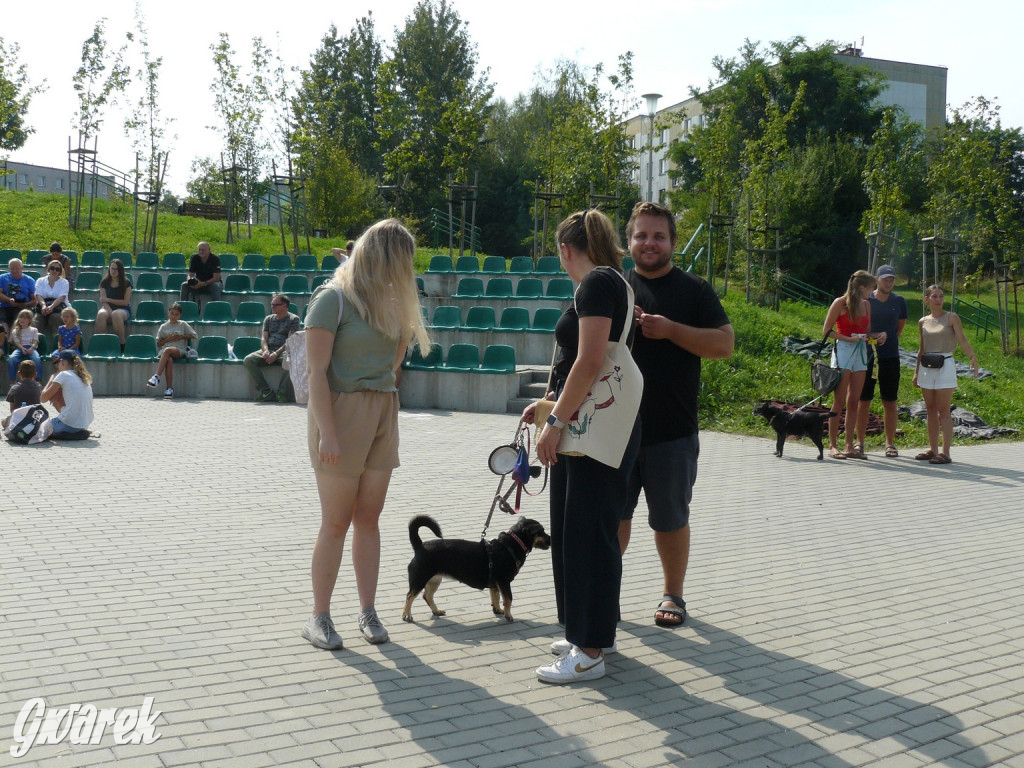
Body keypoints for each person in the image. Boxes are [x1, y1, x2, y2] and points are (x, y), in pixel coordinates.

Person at [522, 209, 641, 684]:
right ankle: (592, 633)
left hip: (590, 430)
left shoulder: (594, 285)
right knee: (590, 533)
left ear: (565, 250)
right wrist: (551, 404)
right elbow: (591, 363)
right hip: (598, 424)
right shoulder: (617, 282)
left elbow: (591, 360)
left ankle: (588, 652)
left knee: (585, 537)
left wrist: (555, 419)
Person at [302, 218, 430, 650]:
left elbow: (394, 365)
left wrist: (379, 406)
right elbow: (315, 371)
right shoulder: (331, 299)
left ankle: (367, 610)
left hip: (382, 409)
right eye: (403, 260)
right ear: (385, 258)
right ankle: (319, 616)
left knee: (369, 519)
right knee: (336, 522)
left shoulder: (392, 305)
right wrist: (328, 433)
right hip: (340, 411)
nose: (407, 270)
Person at [616, 201, 734, 631]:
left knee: (670, 519)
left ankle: (673, 594)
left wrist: (671, 330)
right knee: (614, 516)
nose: (649, 243)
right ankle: (606, 591)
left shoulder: (694, 290)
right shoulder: (614, 287)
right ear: (628, 241)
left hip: (672, 431)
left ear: (672, 242)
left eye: (658, 236)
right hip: (613, 430)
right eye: (641, 235)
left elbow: (724, 344)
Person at [913, 284, 979, 464]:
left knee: (943, 410)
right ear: (927, 299)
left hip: (945, 364)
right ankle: (933, 449)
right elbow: (921, 348)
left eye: (941, 296)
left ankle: (945, 452)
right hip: (927, 365)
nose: (938, 299)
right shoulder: (922, 321)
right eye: (934, 296)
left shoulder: (951, 318)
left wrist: (972, 357)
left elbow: (962, 339)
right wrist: (916, 371)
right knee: (930, 409)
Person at [822, 270, 881, 460]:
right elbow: (827, 331)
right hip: (844, 350)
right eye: (871, 288)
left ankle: (849, 445)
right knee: (839, 400)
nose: (872, 292)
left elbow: (868, 330)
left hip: (861, 351)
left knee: (854, 400)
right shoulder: (840, 303)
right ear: (862, 287)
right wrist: (847, 338)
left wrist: (878, 336)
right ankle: (832, 445)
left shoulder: (866, 305)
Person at [855, 264, 907, 457]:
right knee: (864, 400)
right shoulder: (867, 300)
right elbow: (860, 327)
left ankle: (890, 443)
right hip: (866, 357)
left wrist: (888, 338)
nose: (889, 282)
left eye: (892, 278)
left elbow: (898, 329)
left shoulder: (899, 301)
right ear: (876, 279)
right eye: (885, 278)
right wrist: (874, 337)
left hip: (890, 357)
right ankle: (859, 443)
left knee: (890, 401)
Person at [243, 293, 300, 402]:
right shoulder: (268, 319)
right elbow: (264, 338)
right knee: (248, 360)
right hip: (269, 349)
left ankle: (281, 392)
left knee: (291, 360)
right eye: (272, 304)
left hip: (284, 351)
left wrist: (275, 354)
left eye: (276, 305)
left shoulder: (293, 319)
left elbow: (290, 341)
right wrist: (266, 351)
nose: (272, 307)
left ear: (285, 305)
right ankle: (266, 390)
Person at [147, 302, 198, 399]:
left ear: (180, 315)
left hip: (180, 350)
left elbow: (194, 335)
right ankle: (169, 389)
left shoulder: (183, 324)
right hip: (166, 351)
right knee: (169, 359)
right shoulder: (164, 326)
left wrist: (182, 336)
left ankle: (157, 376)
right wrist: (168, 339)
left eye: (176, 314)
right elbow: (158, 343)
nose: (174, 316)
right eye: (172, 313)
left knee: (167, 350)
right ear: (168, 313)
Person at [40, 350, 94, 438]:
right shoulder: (83, 376)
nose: (57, 367)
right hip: (83, 424)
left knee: (38, 427)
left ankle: (64, 432)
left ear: (63, 362)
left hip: (69, 424)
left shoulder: (63, 375)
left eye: (58, 364)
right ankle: (75, 433)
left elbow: (43, 398)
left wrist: (51, 379)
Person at [95, 258, 133, 348]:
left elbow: (125, 302)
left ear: (120, 270)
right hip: (107, 308)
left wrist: (108, 300)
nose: (113, 271)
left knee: (117, 314)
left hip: (124, 309)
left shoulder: (126, 283)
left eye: (115, 269)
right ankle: (102, 343)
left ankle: (121, 343)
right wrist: (109, 311)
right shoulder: (104, 282)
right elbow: (103, 300)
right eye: (111, 268)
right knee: (101, 314)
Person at [34, 259, 71, 337]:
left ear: (60, 271)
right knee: (37, 319)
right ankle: (34, 342)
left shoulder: (64, 282)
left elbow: (62, 297)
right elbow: (38, 295)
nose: (54, 270)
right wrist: (44, 306)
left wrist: (51, 307)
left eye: (57, 269)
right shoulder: (40, 281)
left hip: (59, 306)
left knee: (55, 317)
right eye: (52, 268)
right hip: (43, 305)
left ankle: (58, 341)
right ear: (48, 269)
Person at [0, 258, 38, 330]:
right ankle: (4, 338)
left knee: (19, 320)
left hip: (22, 307)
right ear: (9, 268)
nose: (14, 271)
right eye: (12, 269)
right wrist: (9, 300)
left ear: (22, 268)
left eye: (17, 269)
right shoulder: (2, 278)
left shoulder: (29, 280)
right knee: (2, 320)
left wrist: (26, 304)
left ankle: (12, 338)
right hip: (4, 306)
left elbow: (35, 300)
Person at [3, 359, 41, 429]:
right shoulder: (39, 387)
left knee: (3, 421)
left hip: (18, 419)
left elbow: (12, 410)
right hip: (34, 419)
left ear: (19, 374)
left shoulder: (14, 388)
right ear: (35, 374)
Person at [7, 309, 41, 382]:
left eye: (25, 318)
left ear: (29, 320)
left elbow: (35, 341)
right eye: (21, 317)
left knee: (36, 359)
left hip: (31, 348)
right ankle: (12, 380)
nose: (22, 319)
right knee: (12, 359)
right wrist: (22, 348)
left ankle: (37, 380)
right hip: (20, 348)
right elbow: (17, 343)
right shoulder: (15, 330)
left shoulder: (34, 330)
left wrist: (31, 348)